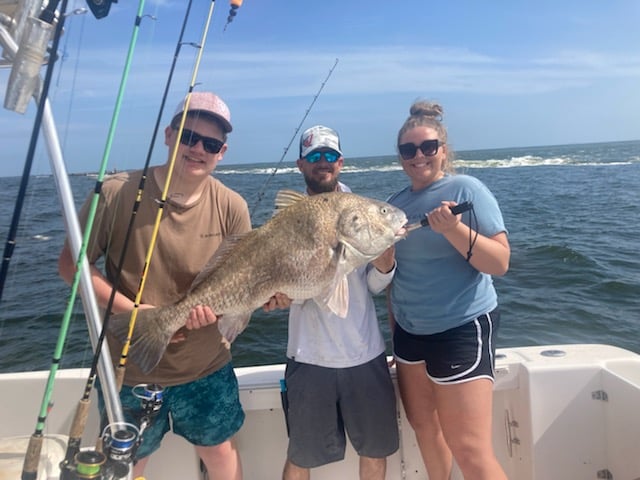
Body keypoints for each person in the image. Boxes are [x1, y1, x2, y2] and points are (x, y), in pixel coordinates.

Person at [58, 91, 249, 480]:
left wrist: (239, 305)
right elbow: (71, 265)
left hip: (207, 366)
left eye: (210, 144)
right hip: (130, 369)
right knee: (127, 463)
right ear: (168, 135)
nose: (197, 149)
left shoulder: (233, 207)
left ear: (222, 151)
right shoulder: (116, 193)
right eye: (188, 137)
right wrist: (135, 313)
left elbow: (245, 284)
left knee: (220, 452)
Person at [386, 101, 510, 480]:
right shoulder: (394, 207)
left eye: (428, 147)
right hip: (409, 337)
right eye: (409, 150)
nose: (418, 156)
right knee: (425, 430)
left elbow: (500, 263)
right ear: (400, 156)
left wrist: (453, 229)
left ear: (443, 149)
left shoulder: (466, 189)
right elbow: (395, 277)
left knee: (469, 449)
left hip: (461, 328)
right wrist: (395, 339)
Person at [279, 125, 400, 480]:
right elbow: (282, 283)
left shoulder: (363, 213)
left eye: (329, 156)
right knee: (300, 454)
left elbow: (377, 285)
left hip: (364, 354)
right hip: (308, 356)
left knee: (375, 450)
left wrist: (386, 262)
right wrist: (277, 296)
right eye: (314, 156)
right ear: (301, 164)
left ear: (341, 162)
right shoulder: (288, 217)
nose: (323, 163)